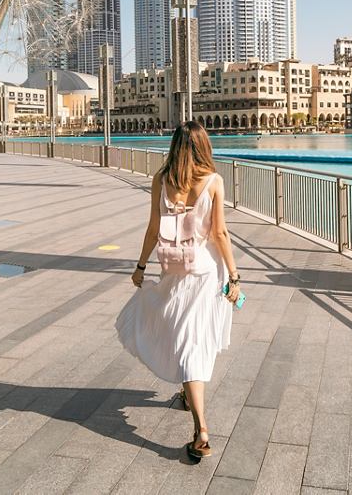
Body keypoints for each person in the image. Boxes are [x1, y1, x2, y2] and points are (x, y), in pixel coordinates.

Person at [116, 121, 240, 462]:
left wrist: (141, 266)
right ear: (203, 146)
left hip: (173, 271)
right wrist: (234, 274)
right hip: (204, 273)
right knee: (192, 342)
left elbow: (154, 228)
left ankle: (190, 399)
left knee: (184, 337)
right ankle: (201, 428)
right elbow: (220, 234)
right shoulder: (213, 181)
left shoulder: (162, 179)